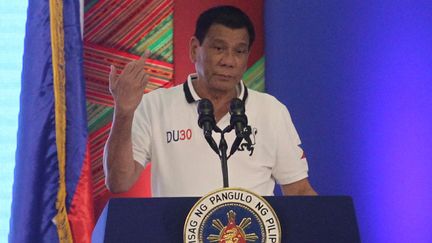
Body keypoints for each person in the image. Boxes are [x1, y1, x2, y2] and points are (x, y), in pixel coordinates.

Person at [104, 5, 317, 197]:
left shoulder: (271, 110)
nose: (229, 61)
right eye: (219, 48)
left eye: (239, 51)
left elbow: (298, 190)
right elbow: (119, 181)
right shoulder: (154, 106)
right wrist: (124, 111)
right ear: (195, 49)